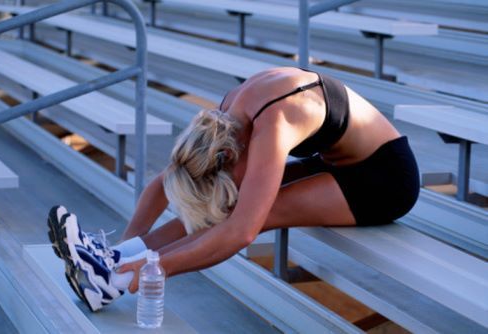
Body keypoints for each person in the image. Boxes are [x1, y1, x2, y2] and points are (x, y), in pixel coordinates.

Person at [48, 67, 420, 311]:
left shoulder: (276, 123)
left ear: (228, 154)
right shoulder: (223, 118)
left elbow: (242, 233)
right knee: (224, 207)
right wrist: (120, 250)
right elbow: (164, 181)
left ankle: (113, 281)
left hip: (385, 178)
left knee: (248, 214)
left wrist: (143, 272)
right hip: (336, 160)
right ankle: (109, 264)